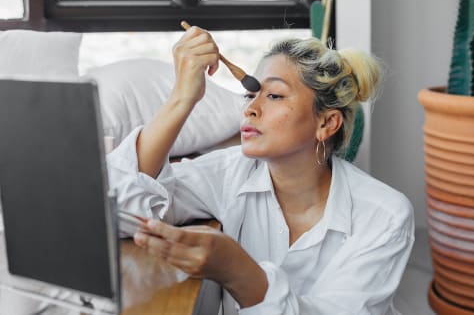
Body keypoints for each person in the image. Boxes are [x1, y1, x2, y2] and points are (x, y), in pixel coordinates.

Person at [107, 25, 415, 315]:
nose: (250, 109)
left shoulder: (384, 216)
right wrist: (181, 99)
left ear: (326, 122)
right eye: (251, 94)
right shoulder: (230, 173)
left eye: (275, 95)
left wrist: (237, 270)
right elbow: (114, 207)